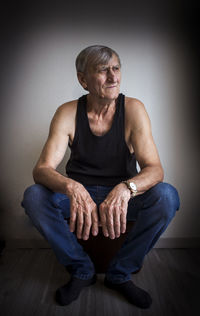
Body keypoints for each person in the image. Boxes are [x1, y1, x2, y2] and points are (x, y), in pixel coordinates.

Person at [22, 45, 180, 309]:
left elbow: (155, 169)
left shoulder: (133, 109)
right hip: (78, 196)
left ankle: (120, 273)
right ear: (83, 80)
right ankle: (81, 269)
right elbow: (42, 170)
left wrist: (125, 188)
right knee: (34, 197)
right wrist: (71, 186)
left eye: (116, 68)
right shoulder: (67, 112)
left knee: (167, 196)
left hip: (123, 197)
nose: (113, 77)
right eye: (102, 70)